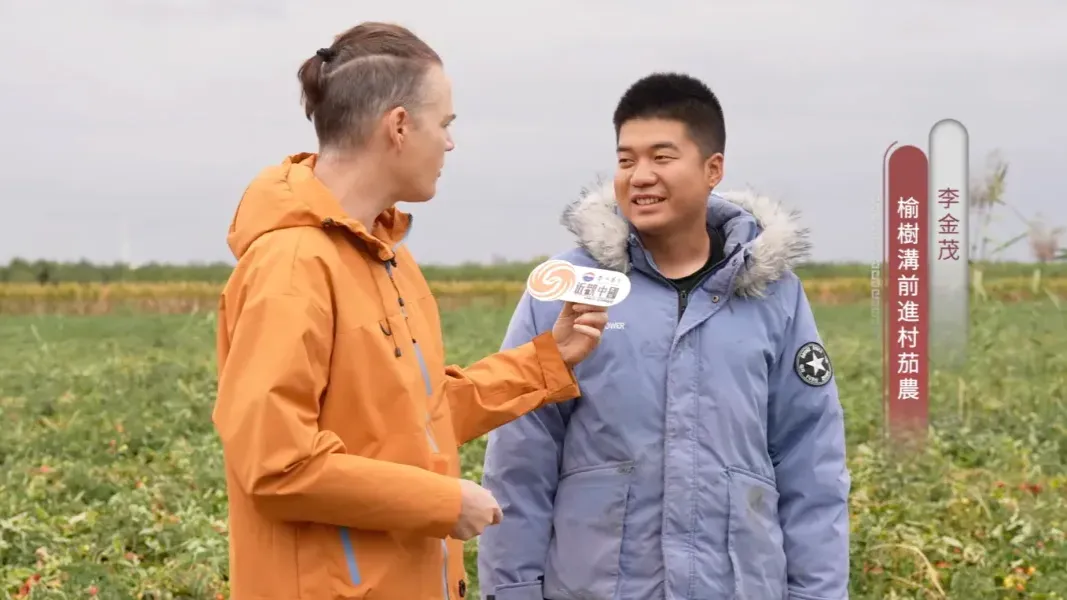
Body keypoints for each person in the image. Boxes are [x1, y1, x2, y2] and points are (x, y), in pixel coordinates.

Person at [212, 22, 609, 600]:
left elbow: (418, 416)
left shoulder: (388, 259)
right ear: (399, 126)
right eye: (445, 124)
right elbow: (278, 465)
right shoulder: (293, 266)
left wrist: (549, 360)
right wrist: (444, 502)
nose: (449, 143)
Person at [478, 73, 850, 600]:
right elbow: (521, 459)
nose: (640, 176)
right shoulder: (569, 289)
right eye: (626, 160)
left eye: (662, 157)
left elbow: (812, 464)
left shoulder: (774, 295)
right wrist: (513, 589)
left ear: (712, 168)